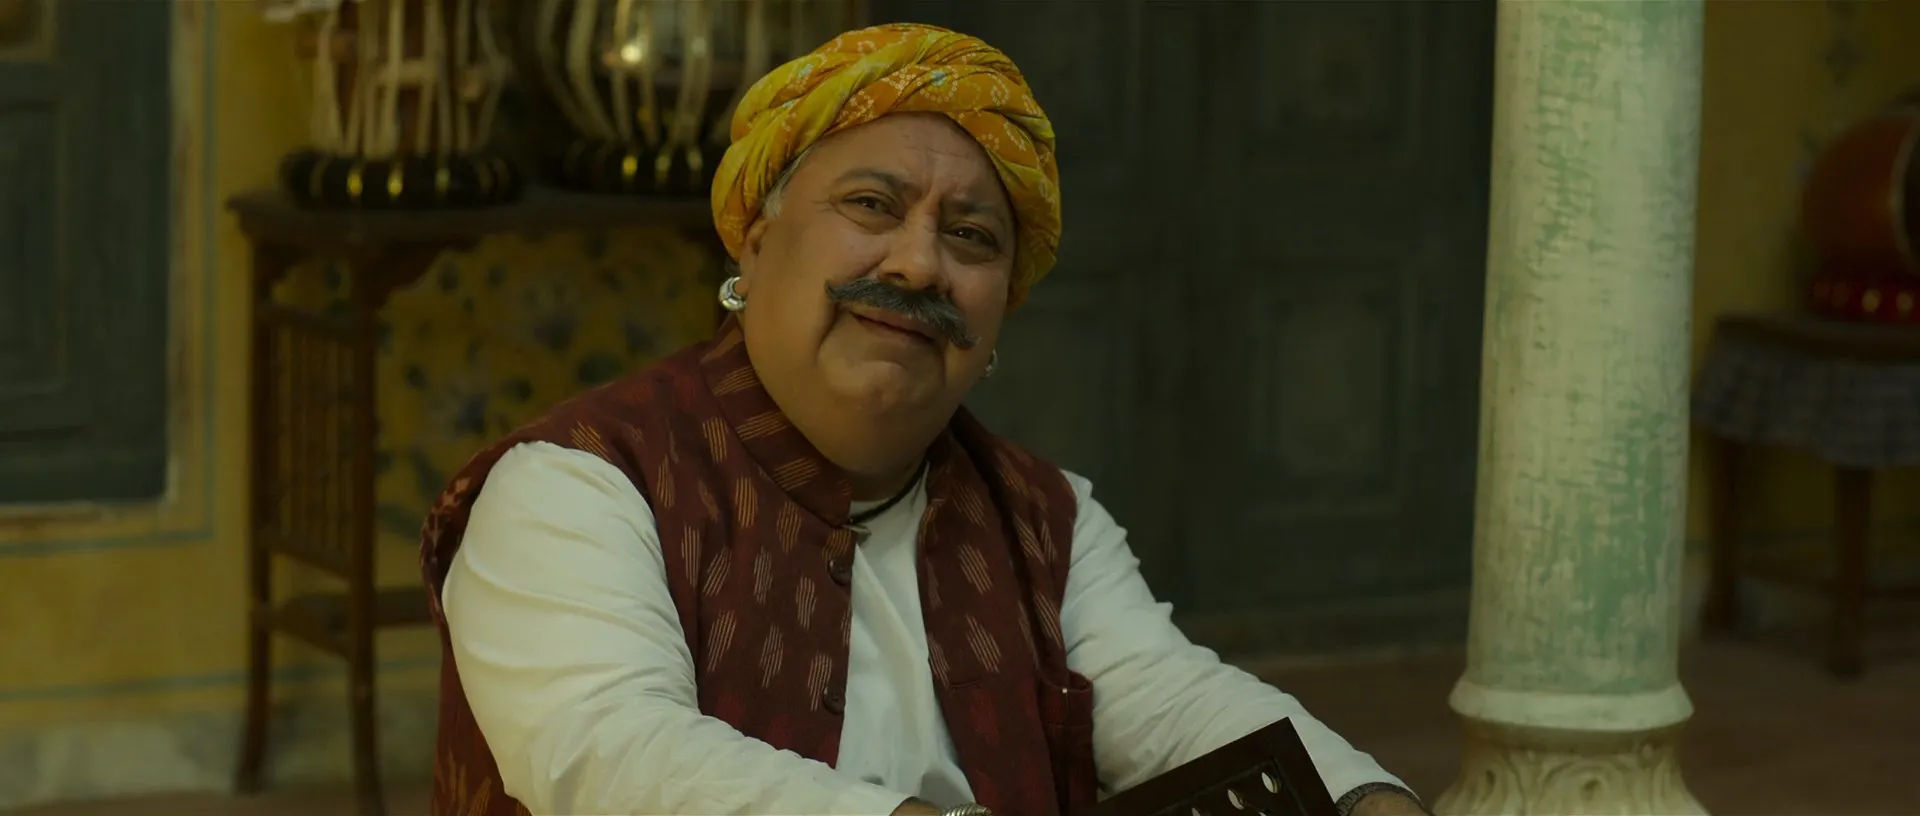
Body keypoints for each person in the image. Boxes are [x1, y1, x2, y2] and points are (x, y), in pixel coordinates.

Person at [419, 22, 1430, 816]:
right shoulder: (581, 483)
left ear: (999, 317)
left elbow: (1172, 701)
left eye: (971, 236)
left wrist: (1361, 797)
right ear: (756, 242)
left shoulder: (1046, 520)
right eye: (871, 205)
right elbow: (610, 756)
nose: (916, 264)